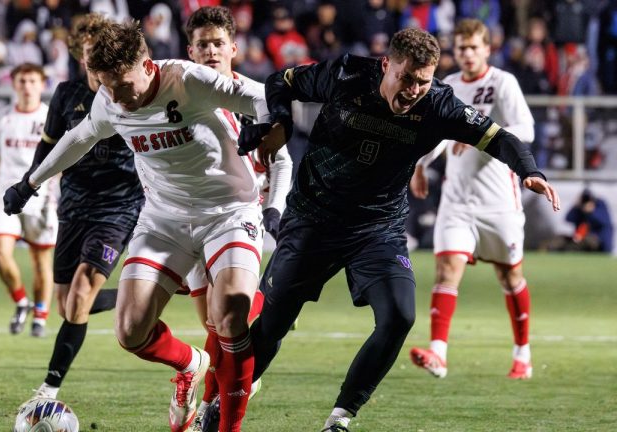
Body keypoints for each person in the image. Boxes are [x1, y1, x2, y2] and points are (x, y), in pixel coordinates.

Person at [205, 27, 560, 432]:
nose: (413, 90)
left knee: (398, 316)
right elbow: (280, 81)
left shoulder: (440, 104)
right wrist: (281, 123)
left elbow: (501, 139)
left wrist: (529, 171)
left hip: (377, 229)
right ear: (386, 64)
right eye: (406, 78)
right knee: (271, 326)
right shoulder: (347, 74)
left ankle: (339, 419)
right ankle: (219, 405)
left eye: (422, 82)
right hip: (312, 221)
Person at [3, 19, 280, 432]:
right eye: (106, 86)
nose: (117, 98)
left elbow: (266, 98)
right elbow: (79, 138)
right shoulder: (110, 98)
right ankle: (191, 364)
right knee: (131, 331)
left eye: (123, 85)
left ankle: (227, 426)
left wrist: (266, 129)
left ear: (148, 66)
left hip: (227, 212)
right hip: (163, 218)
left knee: (231, 313)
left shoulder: (188, 80)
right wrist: (30, 183)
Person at [408, 19, 539, 380]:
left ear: (486, 49)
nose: (465, 54)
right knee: (447, 269)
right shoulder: (447, 85)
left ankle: (522, 354)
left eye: (472, 47)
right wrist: (420, 165)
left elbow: (526, 129)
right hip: (457, 199)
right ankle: (438, 354)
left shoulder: (502, 82)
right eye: (460, 48)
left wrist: (482, 134)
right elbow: (438, 136)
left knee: (510, 276)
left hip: (498, 200)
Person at [182, 6, 292, 429]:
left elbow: (281, 161)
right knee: (213, 322)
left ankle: (210, 412)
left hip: (241, 218)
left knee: (227, 317)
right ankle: (233, 380)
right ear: (190, 51)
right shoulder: (179, 96)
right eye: (202, 44)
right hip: (189, 218)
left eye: (217, 43)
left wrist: (274, 209)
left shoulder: (258, 97)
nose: (211, 51)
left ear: (233, 47)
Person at [30, 13, 145, 400]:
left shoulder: (128, 91)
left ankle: (49, 388)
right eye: (87, 51)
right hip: (74, 204)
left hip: (120, 206)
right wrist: (29, 183)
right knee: (66, 304)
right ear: (81, 55)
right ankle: (140, 291)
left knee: (79, 295)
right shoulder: (66, 94)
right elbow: (49, 144)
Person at [0, 63, 56, 337]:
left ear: (42, 84)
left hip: (41, 196)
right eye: (22, 81)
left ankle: (41, 317)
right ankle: (22, 302)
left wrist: (58, 192)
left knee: (40, 260)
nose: (27, 86)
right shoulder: (2, 117)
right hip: (7, 195)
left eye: (33, 81)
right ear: (14, 84)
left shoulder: (50, 116)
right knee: (0, 253)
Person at [557, 188, 613, 253]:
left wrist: (592, 211)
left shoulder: (600, 204)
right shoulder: (579, 208)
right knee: (561, 239)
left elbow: (604, 222)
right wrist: (576, 206)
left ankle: (569, 250)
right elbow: (568, 218)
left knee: (588, 240)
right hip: (579, 238)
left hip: (597, 241)